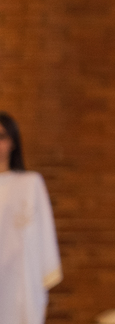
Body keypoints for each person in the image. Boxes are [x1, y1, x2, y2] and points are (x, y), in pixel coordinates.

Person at [0, 112, 62, 324]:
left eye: (1, 137)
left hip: (20, 282)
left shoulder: (30, 184)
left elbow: (43, 235)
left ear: (13, 142)